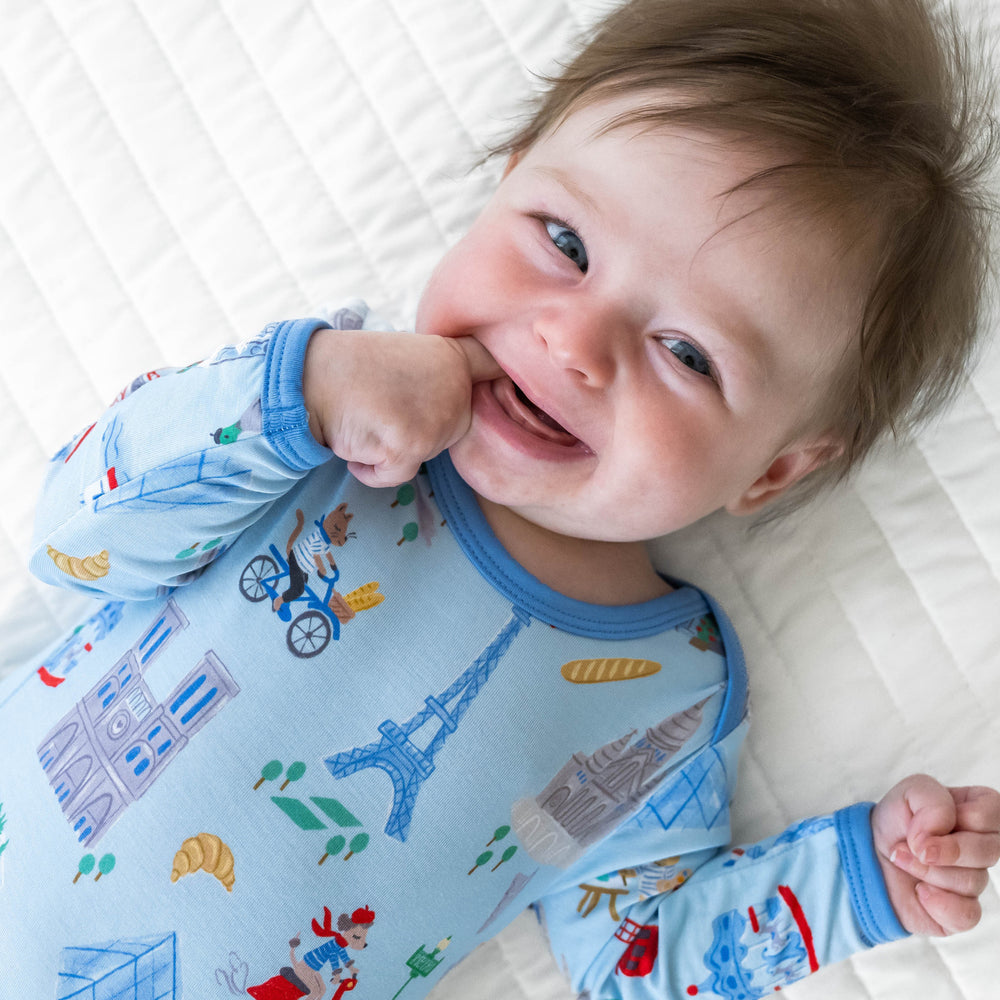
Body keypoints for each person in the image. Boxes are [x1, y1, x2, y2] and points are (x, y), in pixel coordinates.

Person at [0, 0, 997, 998]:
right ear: (506, 175)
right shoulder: (312, 422)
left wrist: (857, 883)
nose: (574, 342)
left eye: (688, 354)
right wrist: (294, 395)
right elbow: (79, 542)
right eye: (563, 242)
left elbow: (638, 960)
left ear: (771, 471)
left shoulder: (664, 693)